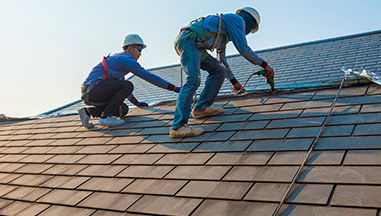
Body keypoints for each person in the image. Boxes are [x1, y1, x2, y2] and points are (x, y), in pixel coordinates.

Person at [169, 7, 274, 138]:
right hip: (189, 41)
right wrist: (265, 65)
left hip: (195, 43)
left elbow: (222, 60)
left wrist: (234, 82)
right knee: (193, 80)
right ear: (250, 24)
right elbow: (244, 49)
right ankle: (177, 127)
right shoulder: (237, 20)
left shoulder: (223, 31)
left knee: (219, 70)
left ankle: (201, 108)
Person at [79, 34, 180, 128]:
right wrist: (174, 88)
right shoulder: (126, 59)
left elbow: (119, 84)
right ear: (131, 47)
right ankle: (105, 118)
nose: (140, 54)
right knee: (128, 85)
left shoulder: (118, 59)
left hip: (93, 92)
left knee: (122, 109)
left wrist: (137, 103)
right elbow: (148, 76)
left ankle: (87, 112)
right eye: (139, 49)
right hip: (92, 90)